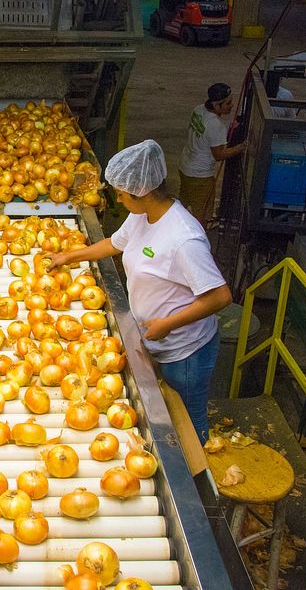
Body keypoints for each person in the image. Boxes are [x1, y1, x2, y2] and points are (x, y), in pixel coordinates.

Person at [49, 140, 231, 443]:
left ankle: (200, 474)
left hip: (186, 350)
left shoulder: (184, 238)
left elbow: (220, 296)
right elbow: (114, 244)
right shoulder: (142, 215)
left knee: (189, 415)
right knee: (168, 410)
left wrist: (167, 324)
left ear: (141, 192)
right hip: (156, 336)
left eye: (121, 194)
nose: (118, 200)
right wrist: (69, 257)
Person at [178, 83, 245, 226]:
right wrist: (241, 147)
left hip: (185, 167)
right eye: (228, 103)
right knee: (201, 215)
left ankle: (174, 229)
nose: (231, 106)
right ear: (216, 106)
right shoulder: (216, 126)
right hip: (200, 176)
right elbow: (219, 155)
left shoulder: (198, 109)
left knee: (182, 205)